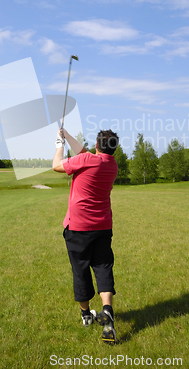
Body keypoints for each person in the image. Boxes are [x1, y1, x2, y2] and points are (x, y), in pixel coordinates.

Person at [53, 128, 119, 345]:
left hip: (78, 227)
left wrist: (59, 144)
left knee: (80, 270)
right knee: (103, 267)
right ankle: (107, 311)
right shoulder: (111, 164)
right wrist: (67, 134)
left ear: (97, 145)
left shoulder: (87, 160)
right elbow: (85, 153)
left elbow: (56, 166)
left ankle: (86, 316)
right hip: (102, 227)